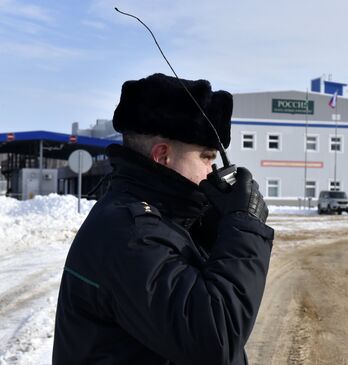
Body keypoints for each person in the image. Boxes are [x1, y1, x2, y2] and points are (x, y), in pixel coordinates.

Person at [53, 73, 273, 365]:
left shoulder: (161, 217)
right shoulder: (130, 234)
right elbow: (214, 336)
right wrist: (245, 227)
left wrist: (215, 228)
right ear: (162, 156)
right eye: (207, 158)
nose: (212, 171)